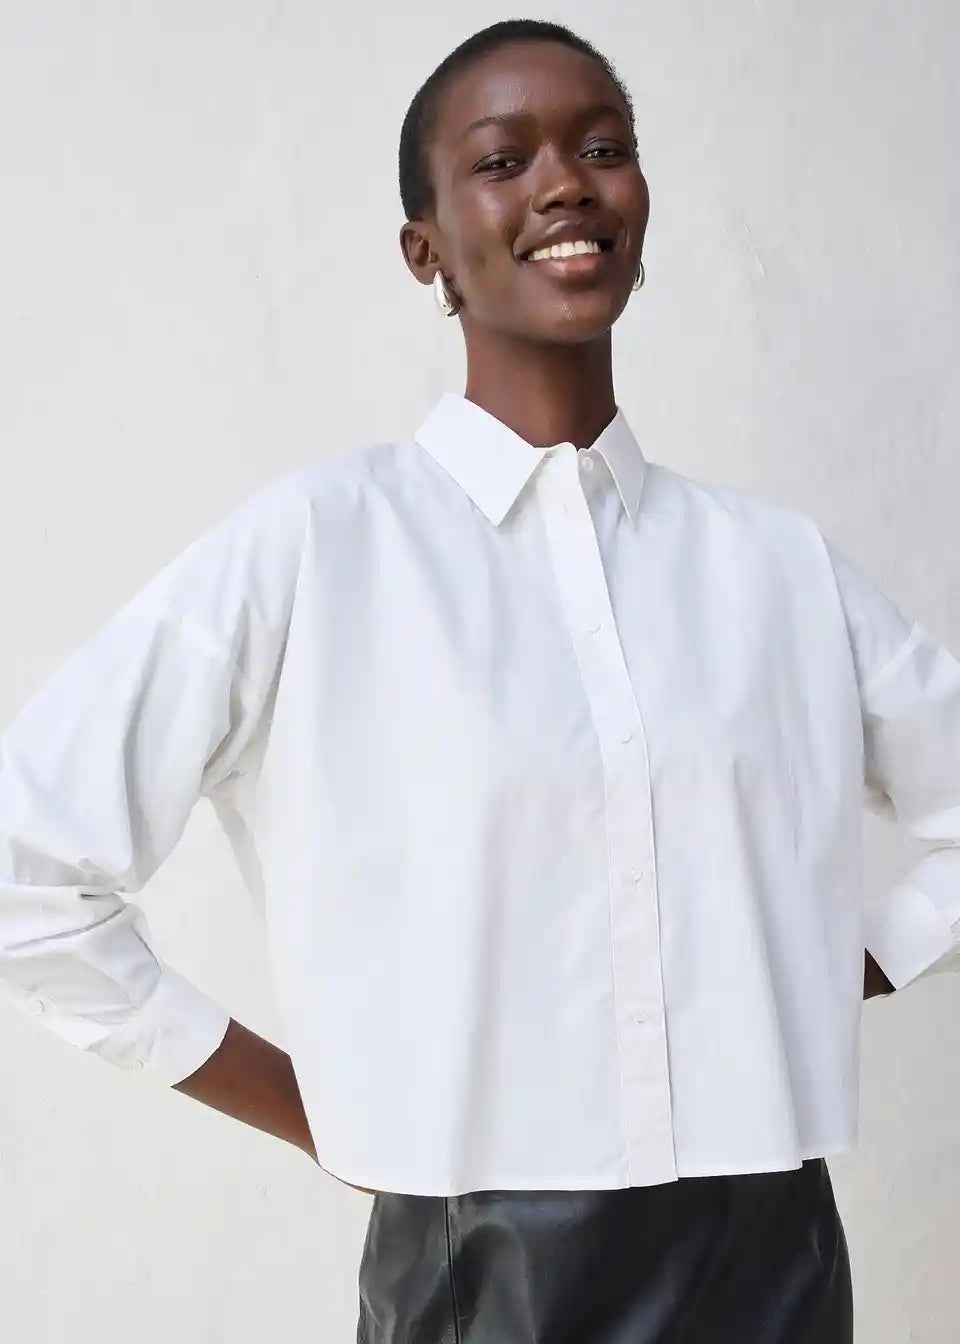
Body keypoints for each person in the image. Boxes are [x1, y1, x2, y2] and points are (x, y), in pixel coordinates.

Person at [2, 16, 959, 1342]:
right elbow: (29, 874)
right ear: (428, 249)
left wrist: (831, 965)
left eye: (603, 149)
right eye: (505, 161)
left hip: (776, 1259)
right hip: (484, 1273)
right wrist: (326, 1113)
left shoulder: (778, 567)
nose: (567, 184)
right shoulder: (318, 549)